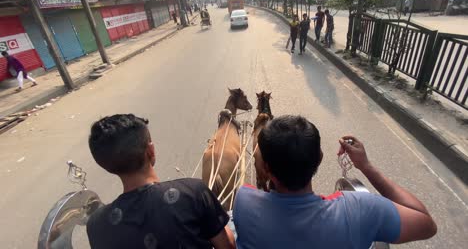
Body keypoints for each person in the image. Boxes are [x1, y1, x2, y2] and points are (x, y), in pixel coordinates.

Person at [234, 115, 437, 249]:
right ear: (320, 158)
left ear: (266, 168)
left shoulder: (245, 202)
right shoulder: (360, 209)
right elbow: (427, 224)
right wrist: (366, 166)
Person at [86, 114, 235, 249]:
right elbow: (227, 246)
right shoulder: (193, 192)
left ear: (106, 166)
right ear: (150, 151)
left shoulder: (96, 226)